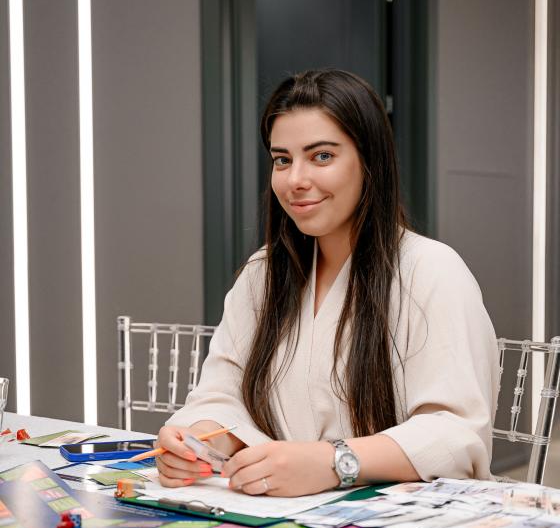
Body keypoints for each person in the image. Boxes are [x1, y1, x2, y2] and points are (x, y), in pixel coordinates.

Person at [156, 69, 499, 496]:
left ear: (370, 161)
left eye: (321, 156)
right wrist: (197, 440)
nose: (295, 180)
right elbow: (222, 394)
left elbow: (454, 434)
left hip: (393, 522)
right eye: (282, 160)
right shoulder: (263, 273)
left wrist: (333, 462)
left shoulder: (432, 270)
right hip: (278, 512)